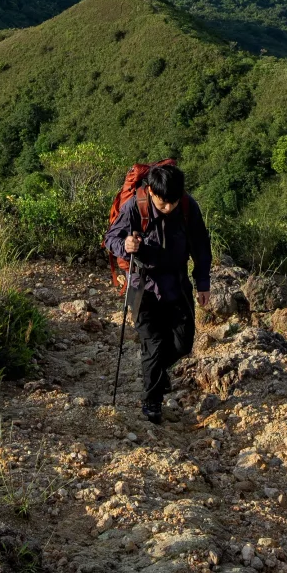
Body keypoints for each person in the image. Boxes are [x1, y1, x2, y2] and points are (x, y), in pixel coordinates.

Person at [105, 163, 212, 423]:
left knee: (183, 343)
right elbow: (111, 238)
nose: (169, 208)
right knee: (152, 345)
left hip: (177, 282)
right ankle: (152, 401)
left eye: (173, 202)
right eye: (164, 203)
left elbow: (200, 245)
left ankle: (157, 374)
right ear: (151, 191)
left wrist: (203, 283)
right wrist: (125, 244)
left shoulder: (187, 206)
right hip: (141, 284)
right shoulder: (135, 206)